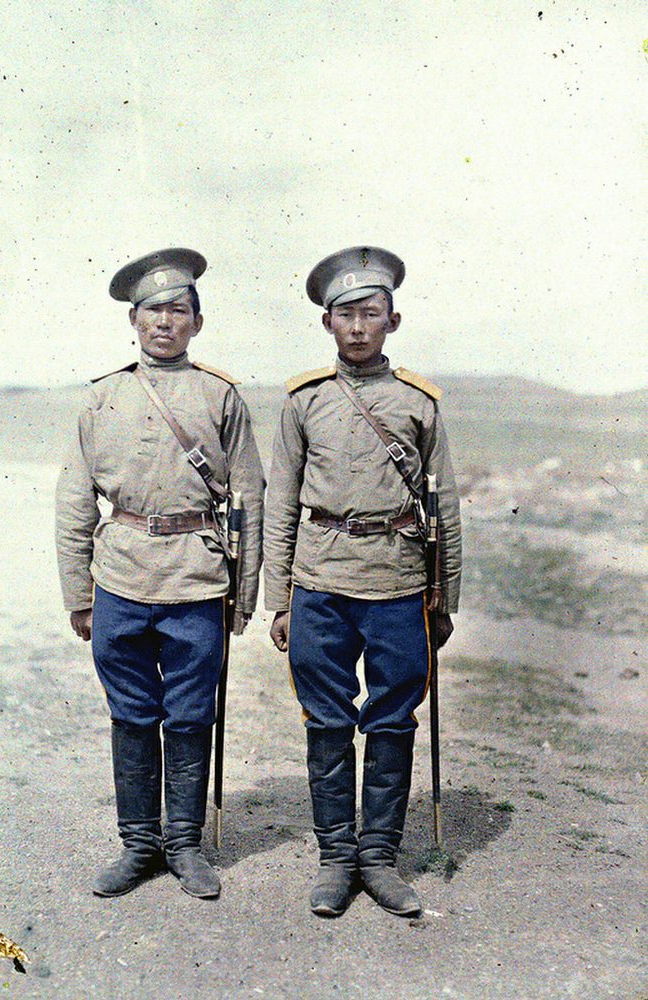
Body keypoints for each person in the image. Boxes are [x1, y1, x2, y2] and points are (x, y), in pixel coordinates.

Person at [55, 248, 264, 901]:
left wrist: (244, 594)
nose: (164, 322)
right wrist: (78, 593)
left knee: (190, 714)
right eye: (153, 311)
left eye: (178, 310)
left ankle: (183, 844)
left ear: (196, 323)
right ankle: (139, 844)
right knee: (130, 714)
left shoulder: (219, 397)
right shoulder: (102, 397)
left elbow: (250, 497)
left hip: (197, 583)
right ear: (133, 320)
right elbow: (72, 500)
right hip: (118, 578)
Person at [264, 245, 462, 918]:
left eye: (369, 314)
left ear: (392, 321)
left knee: (390, 719)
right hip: (319, 583)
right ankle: (335, 858)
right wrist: (279, 599)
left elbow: (444, 507)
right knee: (325, 720)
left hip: (399, 583)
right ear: (326, 324)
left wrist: (444, 599)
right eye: (343, 314)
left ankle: (378, 857)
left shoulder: (417, 405)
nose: (356, 327)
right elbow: (280, 504)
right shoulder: (304, 403)